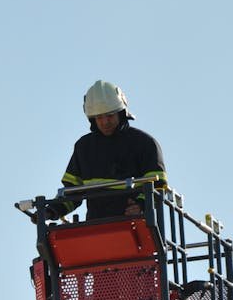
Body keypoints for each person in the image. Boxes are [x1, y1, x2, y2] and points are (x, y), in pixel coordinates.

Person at [58, 80, 166, 220]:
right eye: (99, 117)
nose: (105, 122)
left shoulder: (144, 143)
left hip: (136, 225)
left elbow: (158, 186)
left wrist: (141, 205)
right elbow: (72, 192)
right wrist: (51, 211)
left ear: (121, 113)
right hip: (95, 228)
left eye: (110, 115)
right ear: (92, 119)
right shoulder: (84, 147)